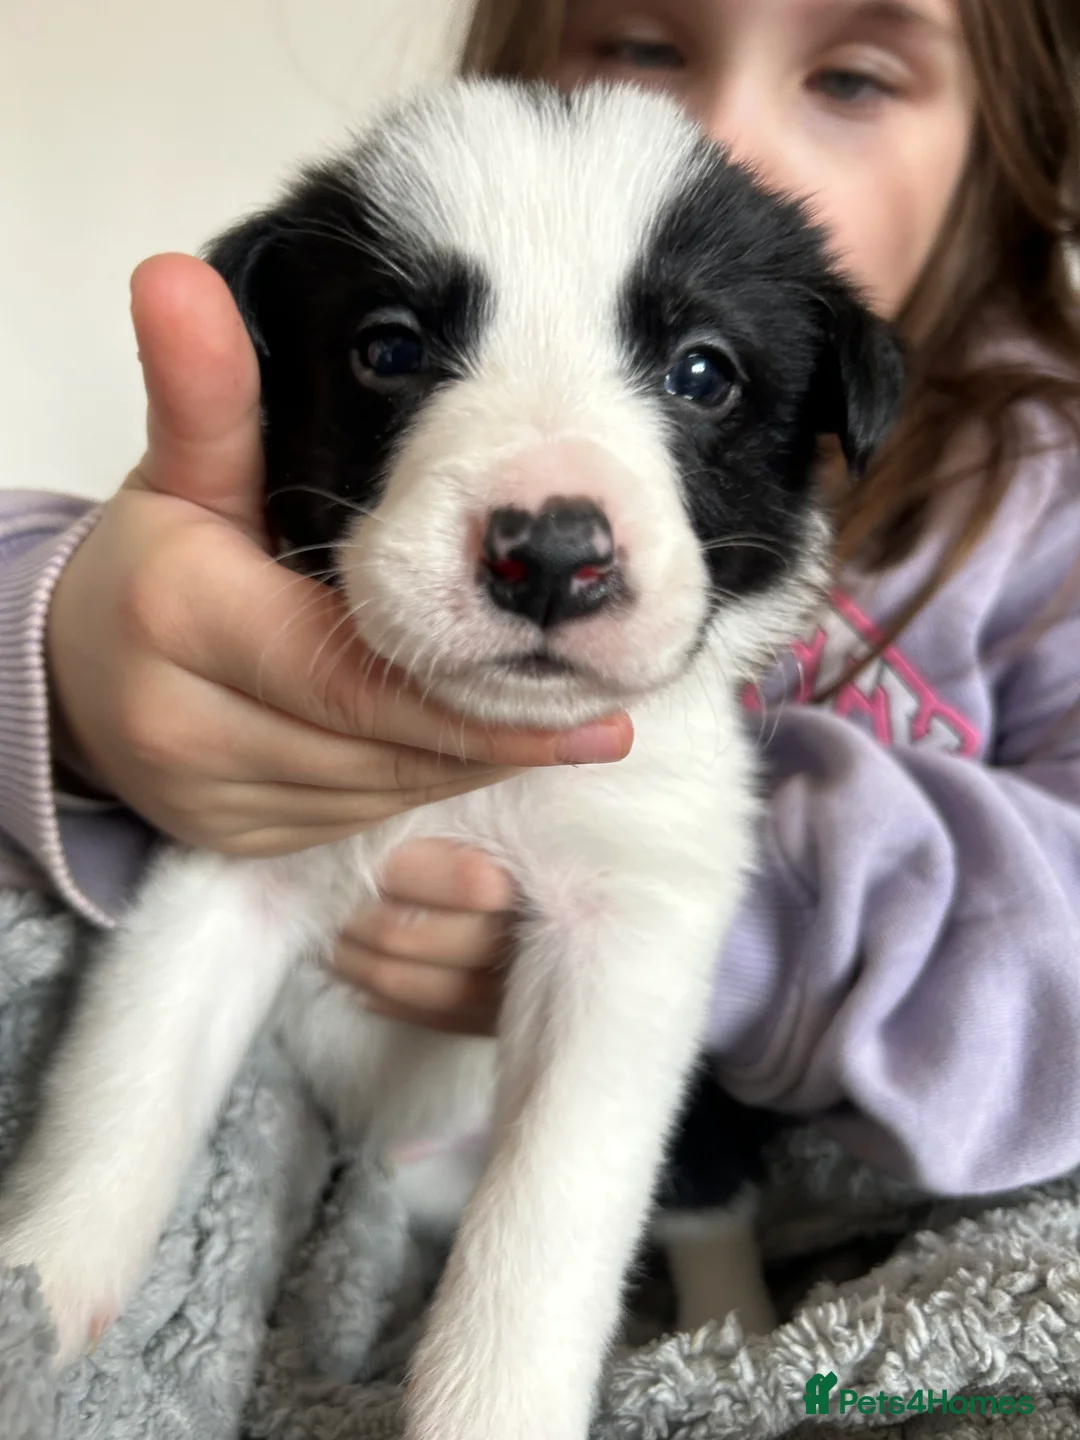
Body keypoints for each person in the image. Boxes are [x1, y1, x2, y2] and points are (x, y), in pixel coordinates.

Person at [1, 0, 1078, 1195]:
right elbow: (137, 588)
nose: (721, 130)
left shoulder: (1054, 508)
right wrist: (60, 654)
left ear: (1007, 138)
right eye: (644, 46)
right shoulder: (317, 422)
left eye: (855, 79)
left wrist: (707, 923)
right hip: (303, 1142)